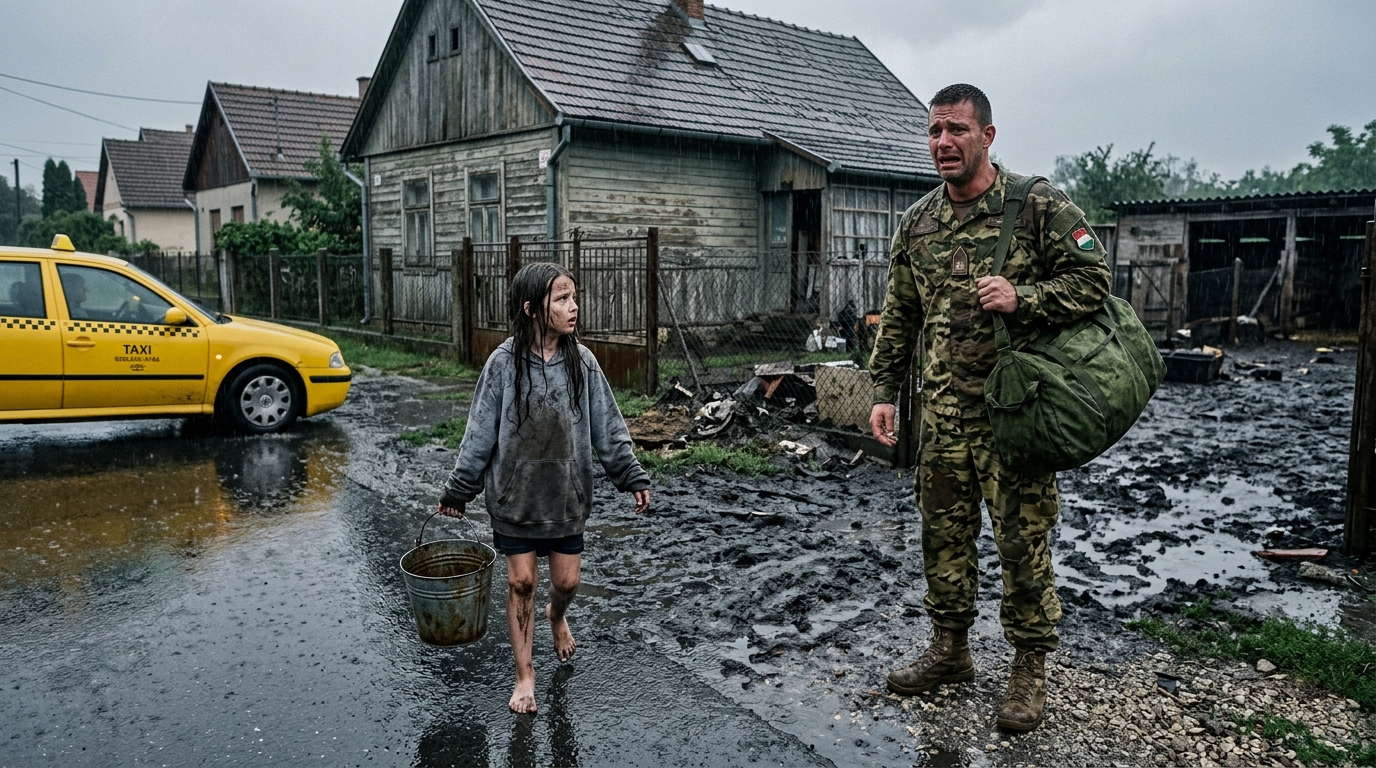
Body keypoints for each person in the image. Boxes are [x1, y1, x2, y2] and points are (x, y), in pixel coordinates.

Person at [868, 84, 1110, 732]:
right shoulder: (918, 222)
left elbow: (1095, 281)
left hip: (1018, 416)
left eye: (957, 130)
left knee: (1022, 544)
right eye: (935, 130)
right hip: (944, 418)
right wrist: (883, 393)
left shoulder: (1037, 206)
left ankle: (1029, 669)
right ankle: (951, 651)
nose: (944, 142)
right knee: (943, 540)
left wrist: (1024, 297)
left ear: (988, 137)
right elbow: (901, 316)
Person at [436, 261, 652, 714]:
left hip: (566, 497)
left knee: (567, 582)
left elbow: (608, 427)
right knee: (521, 582)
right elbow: (478, 432)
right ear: (532, 308)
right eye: (562, 299)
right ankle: (524, 675)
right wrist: (459, 488)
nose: (574, 307)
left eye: (574, 298)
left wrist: (629, 473)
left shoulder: (583, 362)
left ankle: (557, 616)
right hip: (516, 498)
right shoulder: (502, 364)